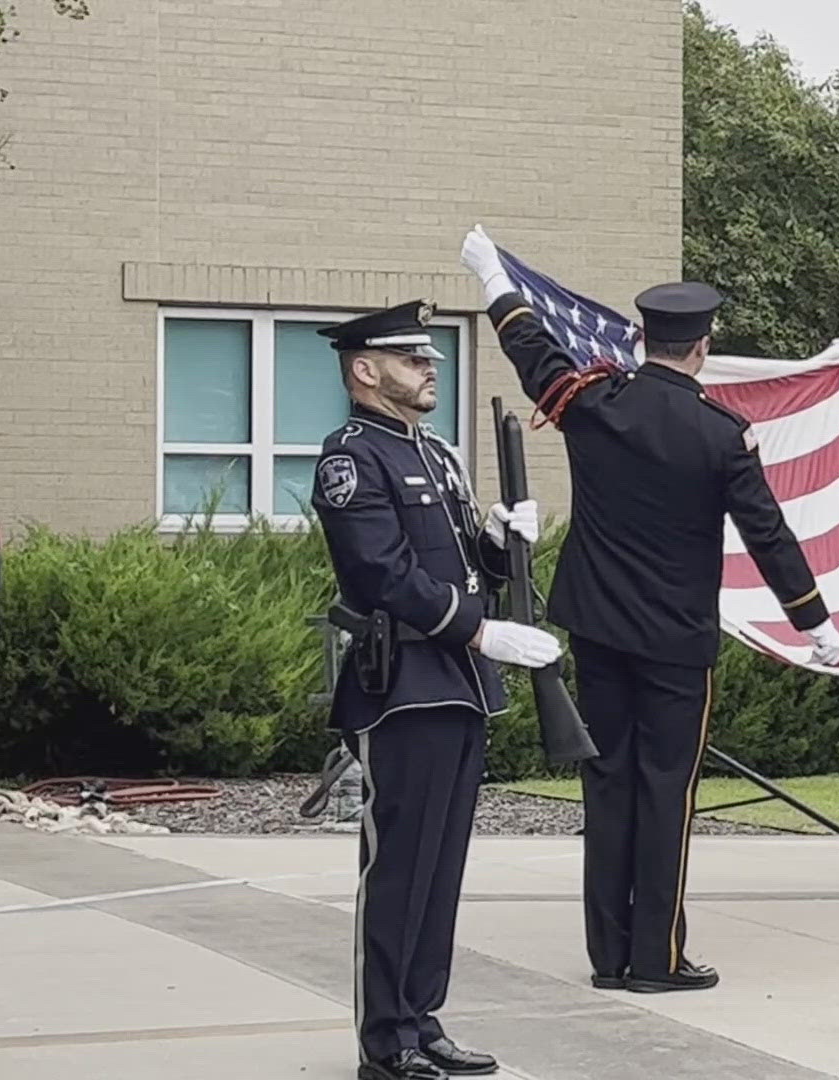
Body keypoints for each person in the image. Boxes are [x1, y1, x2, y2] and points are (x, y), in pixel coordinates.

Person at [458, 225, 839, 993]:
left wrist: (493, 281)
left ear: (641, 341)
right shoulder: (720, 433)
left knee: (608, 787)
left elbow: (533, 353)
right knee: (666, 791)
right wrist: (815, 621)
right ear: (701, 347)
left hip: (597, 629)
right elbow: (767, 534)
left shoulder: (596, 402)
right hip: (675, 641)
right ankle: (655, 958)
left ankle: (608, 955)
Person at [312, 299, 563, 1080]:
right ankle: (384, 1042)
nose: (430, 370)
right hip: (403, 683)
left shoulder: (437, 454)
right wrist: (481, 631)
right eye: (413, 360)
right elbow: (382, 574)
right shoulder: (351, 457)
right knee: (399, 868)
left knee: (441, 866)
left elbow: (459, 566)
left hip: (456, 682)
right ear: (365, 370)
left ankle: (422, 1020)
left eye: (429, 360)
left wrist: (496, 541)